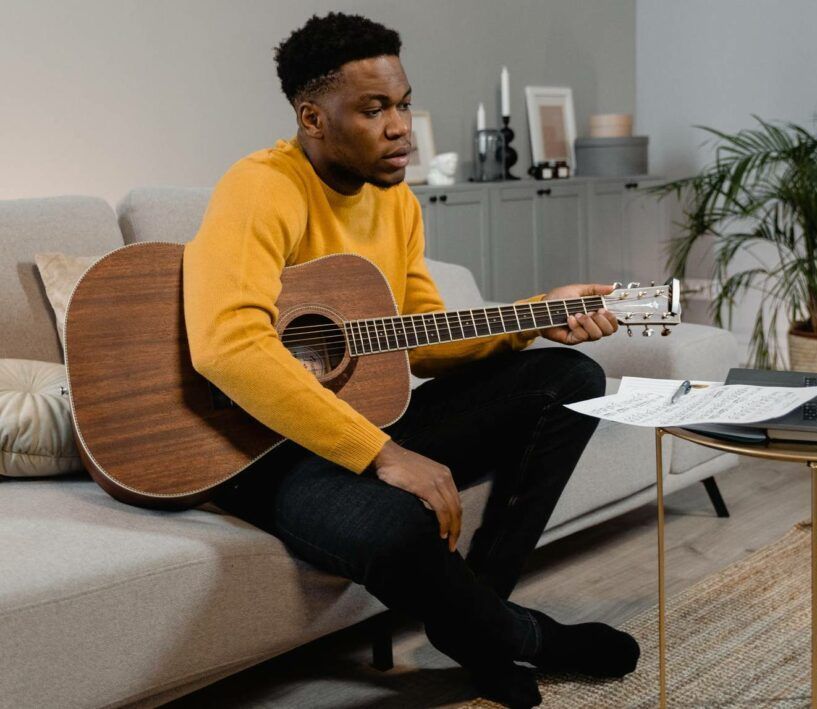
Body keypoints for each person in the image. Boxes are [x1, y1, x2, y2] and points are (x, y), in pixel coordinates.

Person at [183, 12, 639, 707]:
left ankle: (475, 618)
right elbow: (229, 343)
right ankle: (522, 637)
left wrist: (540, 312)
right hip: (265, 453)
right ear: (313, 117)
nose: (402, 126)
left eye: (402, 103)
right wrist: (382, 455)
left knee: (571, 379)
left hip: (362, 422)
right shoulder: (261, 187)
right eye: (375, 109)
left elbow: (422, 338)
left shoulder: (395, 200)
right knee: (399, 526)